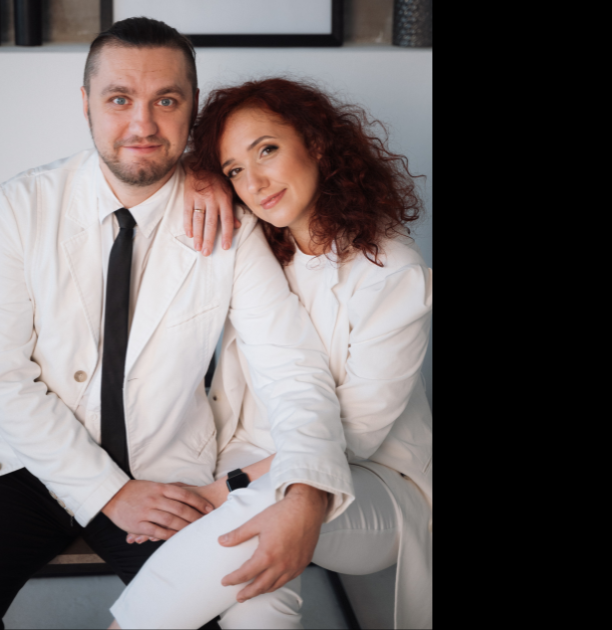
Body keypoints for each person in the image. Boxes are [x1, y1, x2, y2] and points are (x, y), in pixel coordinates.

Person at [0, 20, 358, 630]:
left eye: (167, 101)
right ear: (85, 103)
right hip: (23, 461)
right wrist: (109, 493)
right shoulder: (23, 205)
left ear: (192, 113)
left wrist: (308, 492)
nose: (142, 125)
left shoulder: (232, 225)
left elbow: (294, 369)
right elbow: (1, 372)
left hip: (166, 475)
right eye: (119, 100)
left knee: (215, 613)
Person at [108, 78, 434, 630]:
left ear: (317, 143)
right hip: (244, 463)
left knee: (260, 510)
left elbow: (354, 436)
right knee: (255, 593)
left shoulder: (393, 272)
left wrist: (222, 490)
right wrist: (205, 179)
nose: (254, 182)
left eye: (267, 150)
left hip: (373, 486)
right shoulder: (255, 245)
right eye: (235, 169)